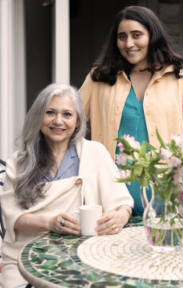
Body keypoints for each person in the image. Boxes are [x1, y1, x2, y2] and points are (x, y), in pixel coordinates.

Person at [0, 84, 133, 288]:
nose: (58, 121)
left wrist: (121, 216)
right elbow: (13, 219)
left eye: (67, 114)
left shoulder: (95, 153)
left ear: (78, 121)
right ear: (38, 117)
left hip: (84, 258)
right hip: (23, 257)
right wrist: (50, 223)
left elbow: (122, 202)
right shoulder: (18, 162)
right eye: (50, 112)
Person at [78, 5, 183, 216]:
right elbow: (71, 119)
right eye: (122, 36)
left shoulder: (181, 79)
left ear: (152, 35)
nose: (129, 44)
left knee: (164, 247)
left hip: (166, 192)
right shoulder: (98, 78)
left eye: (137, 35)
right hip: (111, 192)